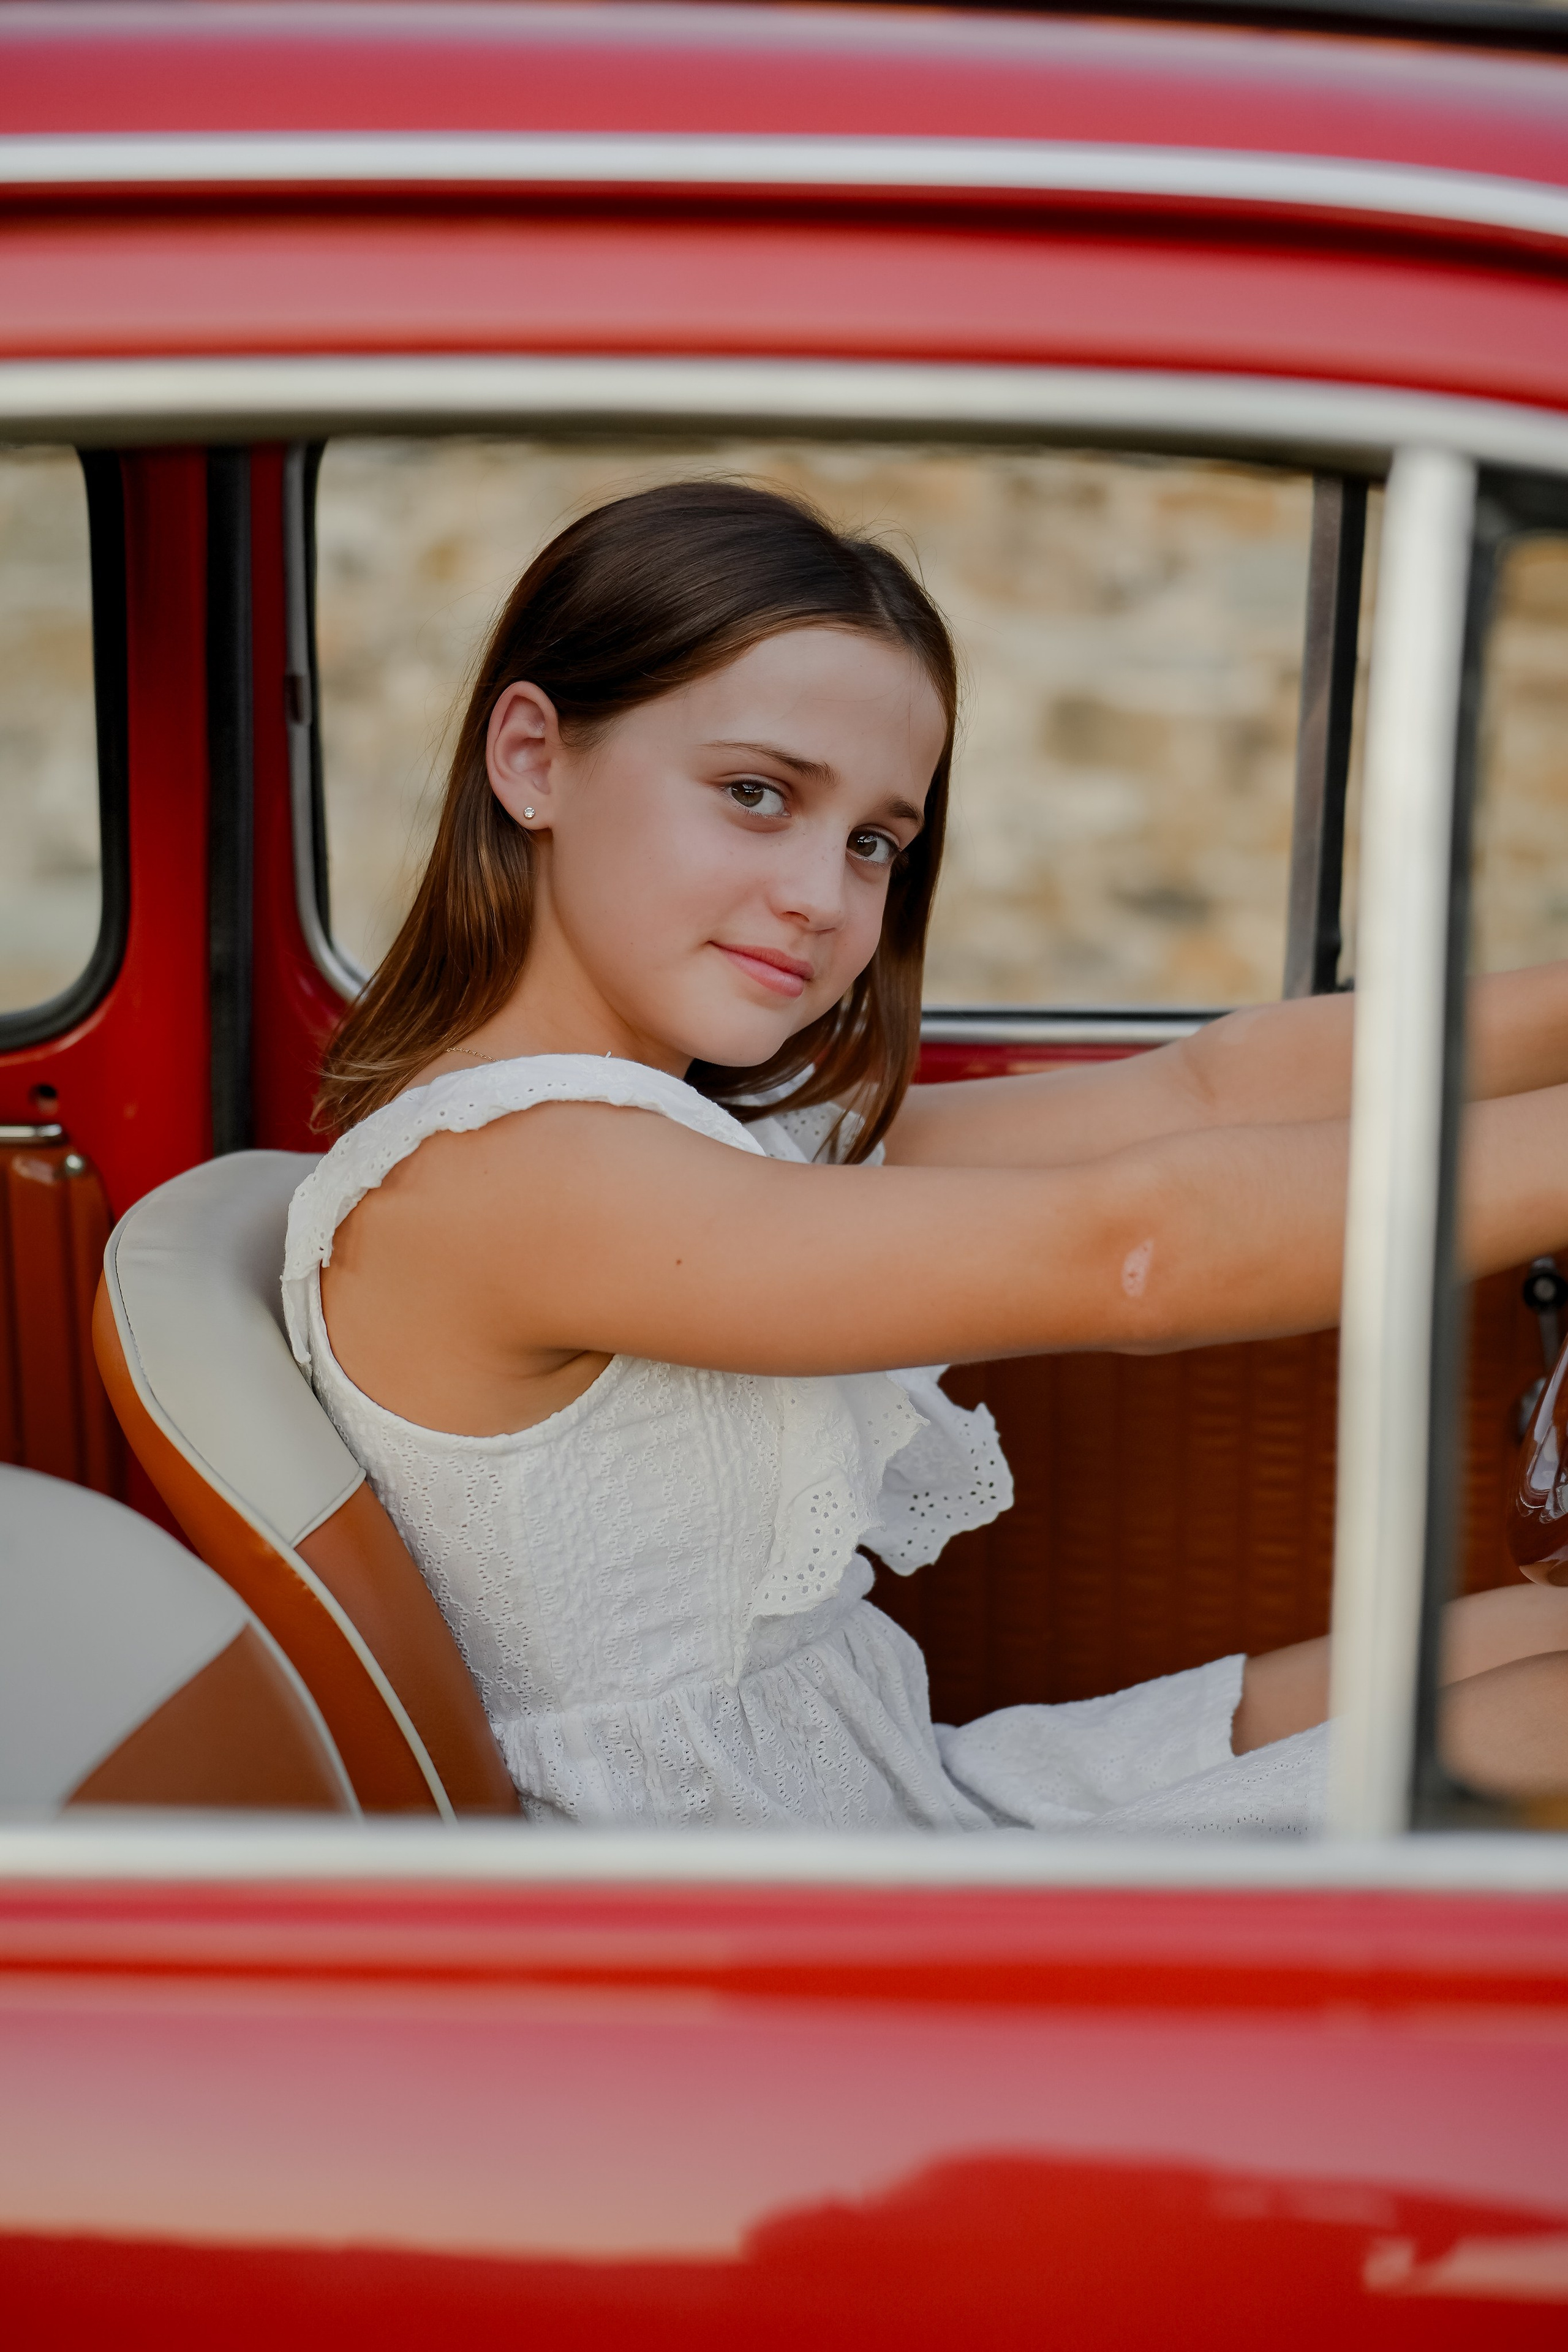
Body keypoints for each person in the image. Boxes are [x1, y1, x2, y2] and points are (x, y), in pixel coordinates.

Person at [284, 481, 1568, 1833]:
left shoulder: (687, 1134)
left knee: (1524, 1646)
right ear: (534, 760)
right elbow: (1141, 1254)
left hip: (895, 1802)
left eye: (872, 842)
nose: (821, 898)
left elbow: (1205, 1091)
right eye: (755, 794)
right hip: (751, 1914)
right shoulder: (519, 1175)